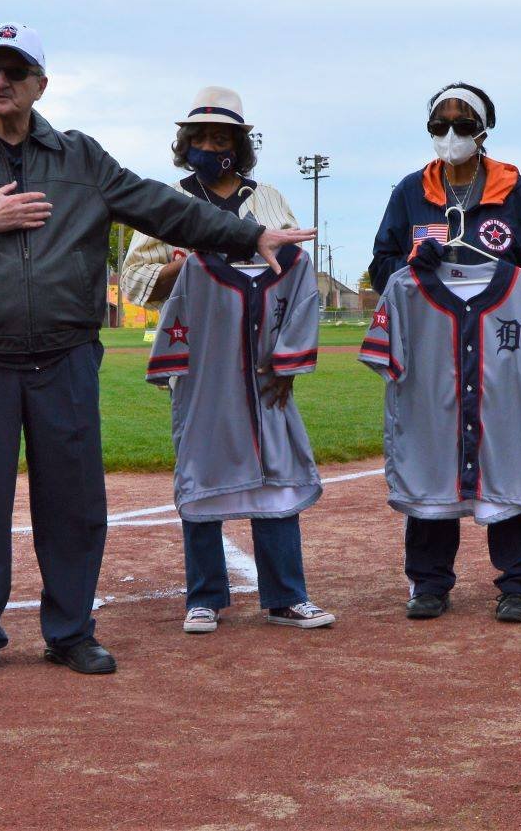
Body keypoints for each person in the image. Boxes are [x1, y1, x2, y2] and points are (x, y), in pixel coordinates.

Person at [0, 26, 316, 682]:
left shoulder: (80, 159)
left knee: (75, 502)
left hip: (63, 354)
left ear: (40, 84)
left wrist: (250, 232)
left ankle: (70, 629)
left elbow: (165, 208)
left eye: (14, 70)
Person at [122, 87, 335, 635]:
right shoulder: (166, 202)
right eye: (201, 137)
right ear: (185, 143)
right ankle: (205, 596)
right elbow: (135, 284)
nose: (210, 145)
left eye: (222, 137)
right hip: (202, 356)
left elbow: (297, 273)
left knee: (277, 466)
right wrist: (182, 267)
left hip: (263, 356)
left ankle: (286, 595)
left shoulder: (267, 199)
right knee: (201, 465)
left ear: (239, 144)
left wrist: (287, 361)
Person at [368, 83, 521, 623]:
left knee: (505, 450)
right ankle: (429, 581)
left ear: (484, 128)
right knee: (430, 450)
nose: (451, 133)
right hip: (431, 344)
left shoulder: (514, 192)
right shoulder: (410, 192)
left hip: (497, 341)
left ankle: (517, 580)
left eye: (462, 122)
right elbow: (381, 266)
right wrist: (413, 270)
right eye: (440, 123)